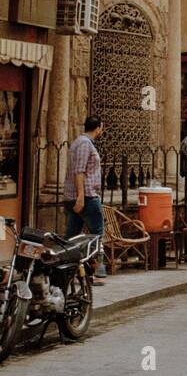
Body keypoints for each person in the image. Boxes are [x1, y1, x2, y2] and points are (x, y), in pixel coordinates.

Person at [63, 115, 107, 283]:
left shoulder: (80, 143)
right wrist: (81, 197)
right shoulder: (84, 144)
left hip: (79, 196)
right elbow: (79, 171)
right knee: (96, 235)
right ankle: (94, 272)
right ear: (98, 128)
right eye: (101, 128)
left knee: (72, 237)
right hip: (86, 196)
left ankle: (69, 272)